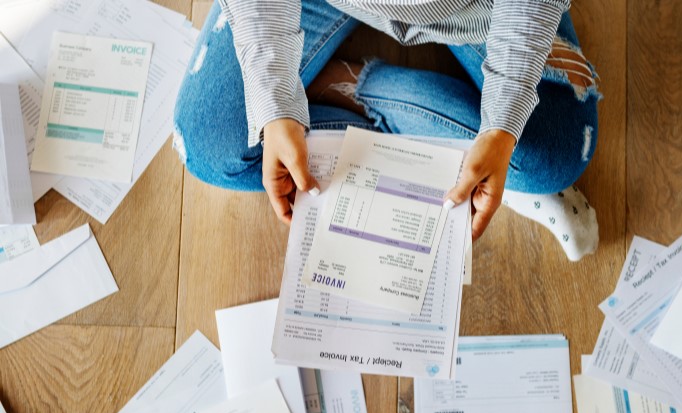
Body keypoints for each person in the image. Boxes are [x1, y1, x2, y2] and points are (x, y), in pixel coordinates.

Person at [173, 0, 601, 261]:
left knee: (559, 153)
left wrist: (503, 125)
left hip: (474, 9)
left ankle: (347, 88)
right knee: (209, 145)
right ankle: (477, 161)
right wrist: (274, 101)